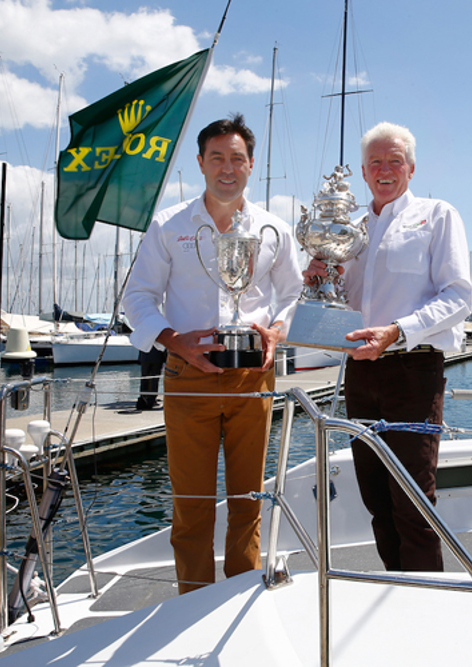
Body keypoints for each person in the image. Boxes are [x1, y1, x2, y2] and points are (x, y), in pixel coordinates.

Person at [123, 113, 302, 593]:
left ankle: (239, 593)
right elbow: (137, 296)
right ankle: (192, 597)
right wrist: (171, 339)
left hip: (253, 377)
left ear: (251, 166)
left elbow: (291, 291)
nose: (228, 167)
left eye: (237, 158)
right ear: (200, 162)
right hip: (188, 373)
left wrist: (278, 330)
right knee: (192, 499)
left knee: (248, 498)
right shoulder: (169, 226)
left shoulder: (273, 230)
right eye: (217, 157)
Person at [307, 121, 472, 571]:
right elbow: (347, 300)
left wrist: (396, 331)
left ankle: (428, 604)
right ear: (362, 172)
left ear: (411, 168)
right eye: (375, 162)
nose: (384, 169)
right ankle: (398, 588)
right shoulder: (350, 231)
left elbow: (458, 296)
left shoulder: (437, 215)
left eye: (393, 161)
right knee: (376, 498)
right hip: (362, 373)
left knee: (413, 501)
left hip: (413, 371)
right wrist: (320, 278)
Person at [135, 346, 166, 411]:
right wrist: (165, 359)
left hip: (145, 357)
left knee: (144, 379)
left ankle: (143, 398)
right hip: (157, 358)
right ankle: (151, 400)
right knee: (154, 380)